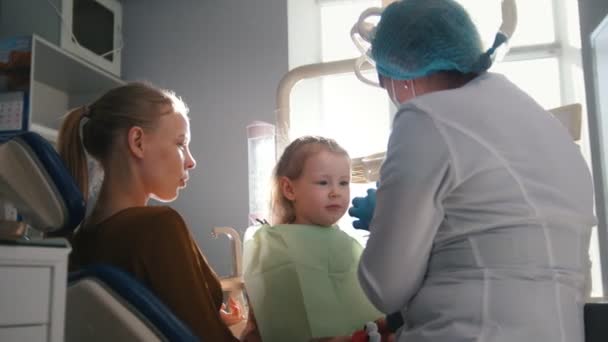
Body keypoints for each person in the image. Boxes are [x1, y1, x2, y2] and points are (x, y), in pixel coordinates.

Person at [348, 1, 597, 341]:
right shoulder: (549, 127)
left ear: (396, 74)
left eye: (383, 80)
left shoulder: (425, 118)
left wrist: (383, 223)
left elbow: (383, 288)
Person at [57, 82, 242, 341]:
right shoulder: (158, 228)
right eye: (180, 144)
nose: (191, 160)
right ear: (138, 142)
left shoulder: (80, 238)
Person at [242, 136, 383, 342]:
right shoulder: (275, 245)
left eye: (344, 182)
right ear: (289, 189)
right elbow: (279, 319)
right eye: (323, 182)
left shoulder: (349, 243)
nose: (336, 192)